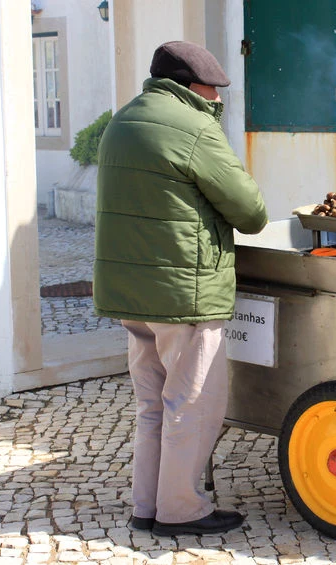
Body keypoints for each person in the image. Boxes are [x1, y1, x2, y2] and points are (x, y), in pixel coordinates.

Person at [93, 40, 268, 537]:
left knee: (152, 403)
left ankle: (146, 506)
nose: (218, 99)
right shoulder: (194, 128)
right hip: (183, 294)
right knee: (192, 402)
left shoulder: (122, 121)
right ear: (192, 86)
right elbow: (251, 211)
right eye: (214, 90)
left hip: (133, 294)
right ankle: (181, 510)